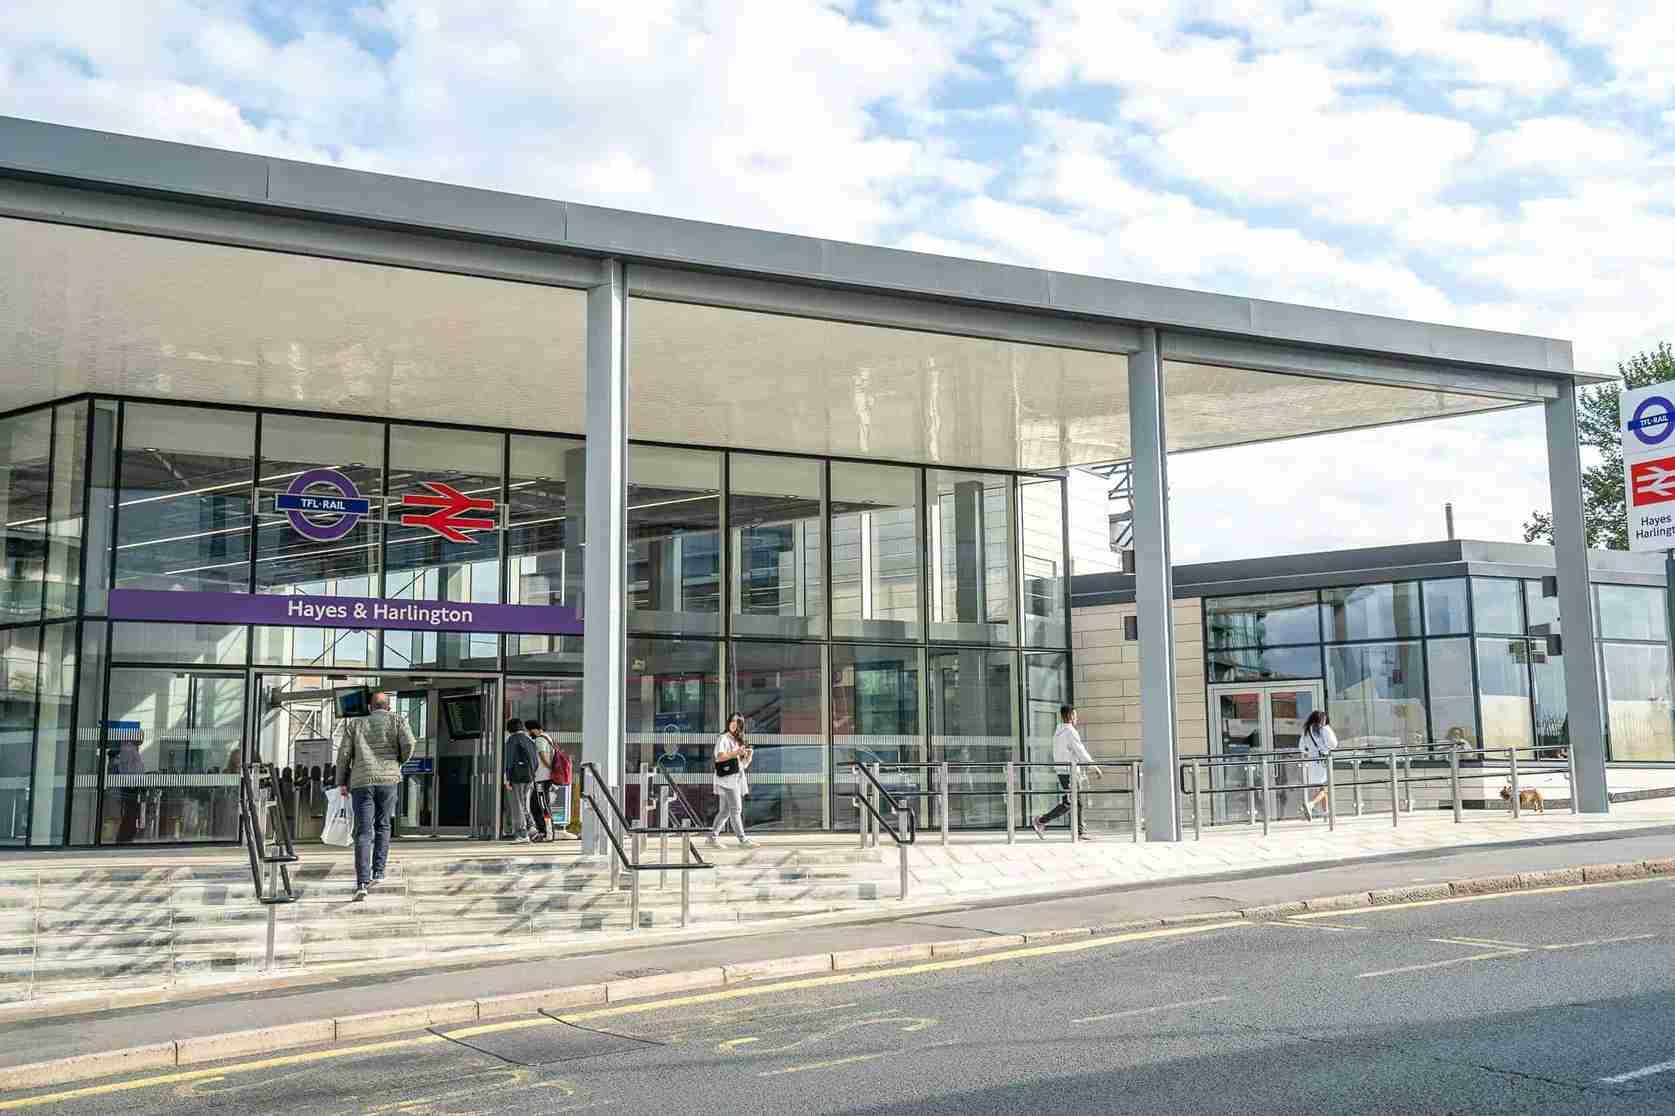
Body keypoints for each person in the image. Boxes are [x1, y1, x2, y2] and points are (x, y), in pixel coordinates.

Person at [334, 692, 415, 902]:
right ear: (387, 706)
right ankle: (378, 872)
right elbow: (409, 744)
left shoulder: (355, 724)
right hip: (388, 780)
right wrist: (398, 761)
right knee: (383, 825)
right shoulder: (398, 720)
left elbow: (344, 754)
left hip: (362, 781)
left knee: (363, 830)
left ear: (370, 707)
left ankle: (362, 882)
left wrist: (341, 781)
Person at [1032, 705, 1102, 839]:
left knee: (1072, 801)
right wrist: (1094, 766)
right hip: (1069, 772)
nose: (1076, 718)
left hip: (1063, 770)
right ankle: (1042, 821)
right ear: (1070, 716)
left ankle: (1077, 831)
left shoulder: (1058, 731)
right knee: (1072, 802)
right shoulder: (1070, 731)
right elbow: (1080, 751)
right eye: (1075, 715)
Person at [708, 712, 755, 848]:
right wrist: (736, 753)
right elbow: (719, 757)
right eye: (732, 721)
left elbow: (741, 765)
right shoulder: (723, 738)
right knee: (736, 809)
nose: (734, 724)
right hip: (727, 780)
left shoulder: (737, 740)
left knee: (725, 811)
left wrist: (748, 756)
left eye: (737, 722)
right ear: (728, 722)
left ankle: (712, 837)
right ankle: (743, 840)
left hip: (736, 778)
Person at [502, 717, 540, 843]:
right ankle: (531, 827)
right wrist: (531, 774)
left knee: (517, 804)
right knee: (524, 803)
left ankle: (522, 833)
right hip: (529, 776)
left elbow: (509, 759)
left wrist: (507, 777)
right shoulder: (529, 740)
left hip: (516, 777)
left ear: (510, 729)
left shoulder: (512, 740)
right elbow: (535, 762)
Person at [1299, 710, 1337, 821]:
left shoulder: (1307, 731)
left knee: (1322, 787)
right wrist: (1327, 728)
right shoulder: (1323, 729)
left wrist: (1311, 751)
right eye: (1324, 719)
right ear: (1321, 719)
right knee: (1325, 788)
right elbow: (1334, 744)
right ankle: (1310, 804)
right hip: (1322, 762)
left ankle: (1326, 815)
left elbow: (1301, 747)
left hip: (1312, 762)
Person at [525, 718, 557, 841]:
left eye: (529, 731)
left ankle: (548, 833)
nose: (529, 734)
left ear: (534, 729)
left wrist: (550, 768)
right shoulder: (547, 737)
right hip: (543, 778)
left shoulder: (539, 739)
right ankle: (543, 830)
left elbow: (543, 755)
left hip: (542, 778)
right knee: (535, 805)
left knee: (543, 805)